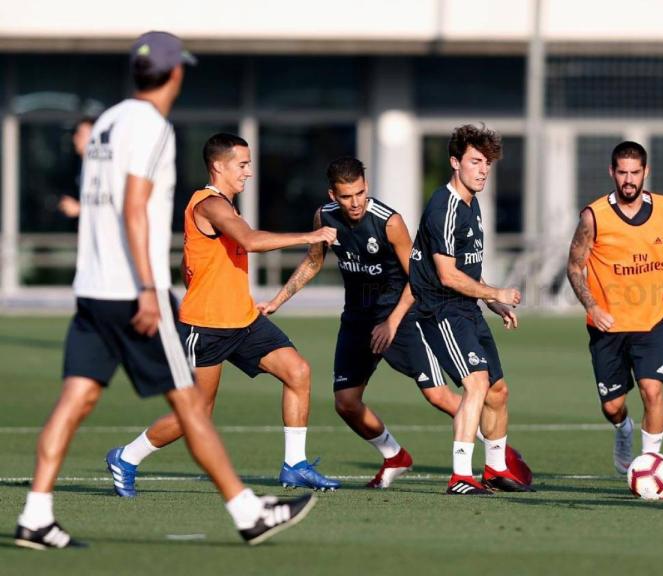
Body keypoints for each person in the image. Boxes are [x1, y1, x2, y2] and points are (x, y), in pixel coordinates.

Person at [14, 31, 315, 550]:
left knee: (77, 398)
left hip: (94, 289)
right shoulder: (153, 126)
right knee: (192, 409)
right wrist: (149, 288)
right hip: (135, 292)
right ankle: (248, 513)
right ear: (175, 73)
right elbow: (134, 208)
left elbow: (101, 202)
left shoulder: (107, 122)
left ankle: (36, 515)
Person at [258, 156, 531, 489]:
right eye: (346, 196)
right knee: (346, 403)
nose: (355, 202)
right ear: (333, 195)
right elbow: (313, 262)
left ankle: (497, 450)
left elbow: (418, 276)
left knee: (439, 396)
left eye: (360, 193)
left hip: (402, 317)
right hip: (357, 320)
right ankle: (395, 455)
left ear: (366, 187)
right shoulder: (324, 218)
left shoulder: (389, 222)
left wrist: (392, 322)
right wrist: (277, 300)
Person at [104, 133, 340, 496]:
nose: (249, 172)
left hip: (243, 320)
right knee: (196, 414)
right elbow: (250, 241)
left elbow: (189, 262)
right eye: (242, 165)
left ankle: (295, 465)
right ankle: (126, 457)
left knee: (298, 371)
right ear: (218, 166)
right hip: (206, 327)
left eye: (249, 164)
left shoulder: (225, 206)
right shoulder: (210, 204)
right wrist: (310, 236)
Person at [409, 124, 530, 495]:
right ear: (454, 162)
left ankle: (495, 469)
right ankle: (460, 476)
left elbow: (467, 269)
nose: (483, 170)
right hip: (441, 310)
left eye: (487, 163)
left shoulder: (471, 203)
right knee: (476, 383)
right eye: (476, 161)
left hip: (467, 308)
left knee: (498, 390)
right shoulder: (443, 208)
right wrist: (496, 291)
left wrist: (492, 302)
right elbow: (447, 275)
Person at [565, 141, 663, 474]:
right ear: (612, 172)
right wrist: (592, 307)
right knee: (613, 406)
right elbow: (575, 267)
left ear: (645, 172)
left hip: (652, 321)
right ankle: (623, 428)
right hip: (608, 326)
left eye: (635, 173)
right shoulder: (594, 216)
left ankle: (649, 463)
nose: (628, 180)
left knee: (653, 390)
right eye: (622, 172)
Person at [56, 116, 95, 219]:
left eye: (80, 135)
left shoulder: (103, 169)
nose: (75, 139)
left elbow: (111, 205)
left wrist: (79, 209)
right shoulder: (78, 165)